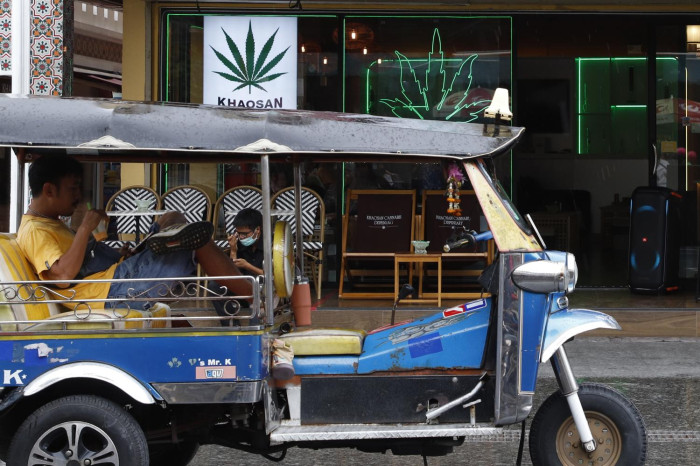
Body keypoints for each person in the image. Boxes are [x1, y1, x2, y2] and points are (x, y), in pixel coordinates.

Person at [16, 155, 251, 311]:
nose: (78, 195)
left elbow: (82, 263)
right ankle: (254, 298)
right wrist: (85, 228)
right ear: (49, 190)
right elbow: (61, 276)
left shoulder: (51, 223)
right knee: (196, 239)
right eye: (73, 188)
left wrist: (119, 253)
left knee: (172, 218)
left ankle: (160, 245)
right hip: (113, 291)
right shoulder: (35, 230)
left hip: (118, 274)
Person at [228, 207, 264, 277]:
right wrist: (233, 251)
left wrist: (247, 266)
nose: (241, 237)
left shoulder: (273, 245)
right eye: (238, 233)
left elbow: (274, 277)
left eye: (244, 234)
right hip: (243, 282)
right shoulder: (238, 243)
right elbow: (232, 275)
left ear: (257, 229)